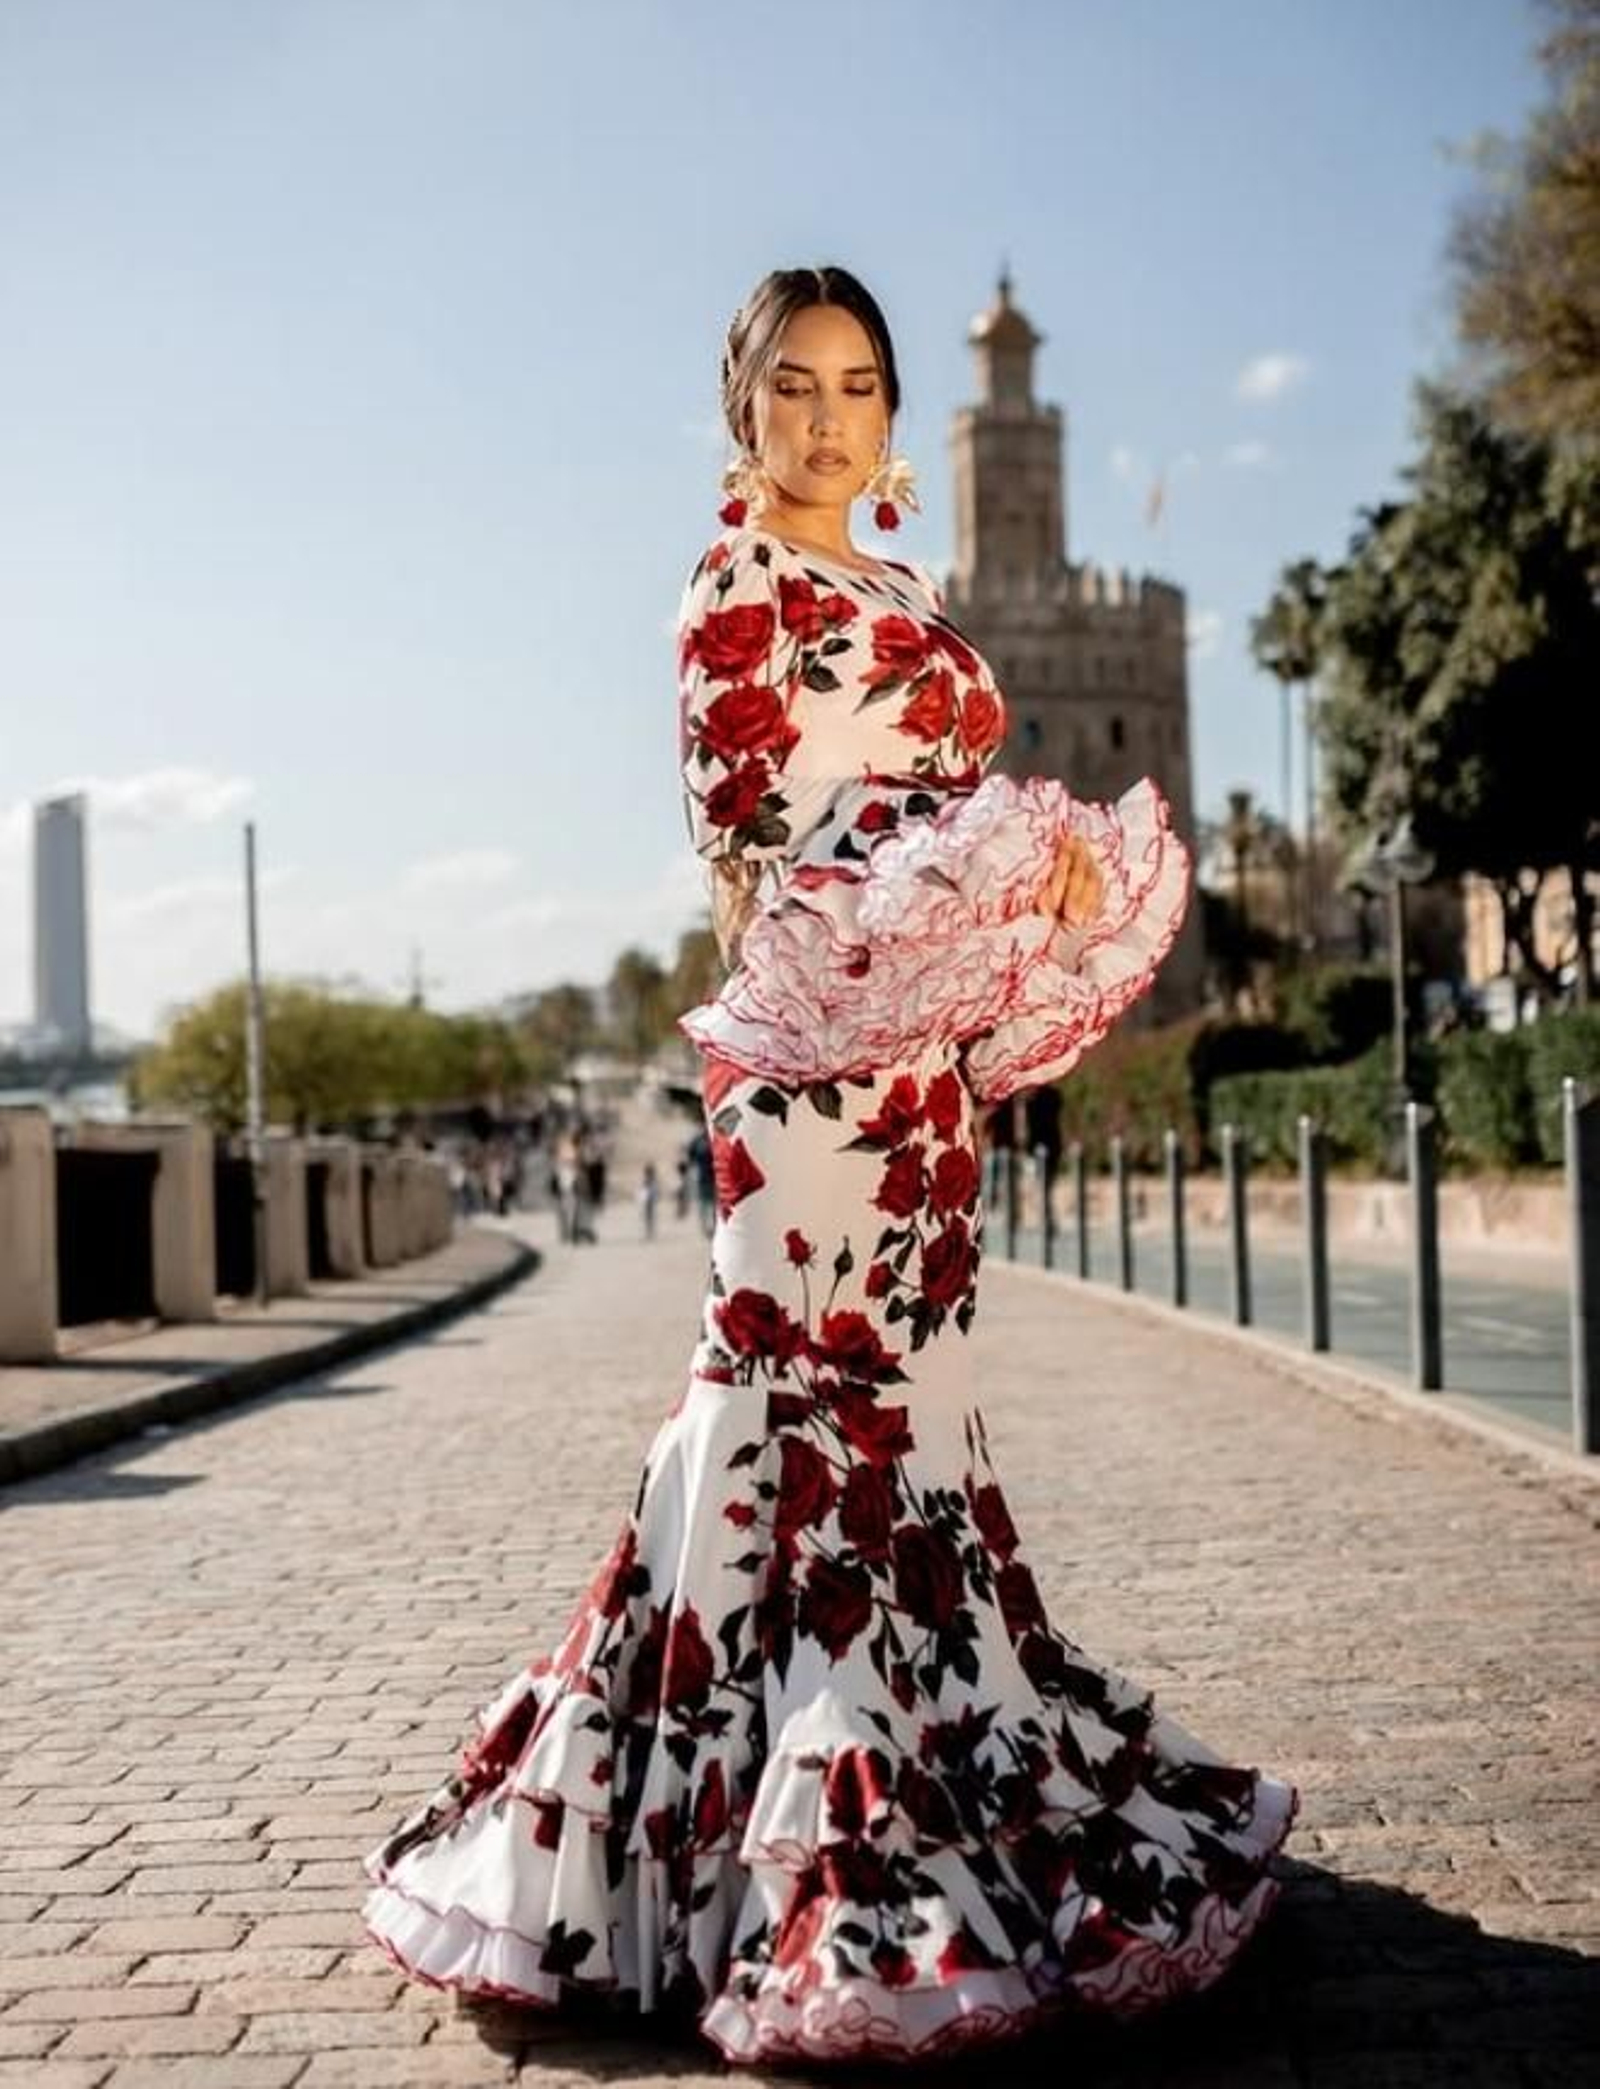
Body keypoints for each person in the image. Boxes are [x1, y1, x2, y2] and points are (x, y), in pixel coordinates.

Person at [361, 265, 1298, 2066]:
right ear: (745, 406)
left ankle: (921, 1782)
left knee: (916, 1419)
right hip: (810, 1063)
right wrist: (982, 858)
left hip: (924, 1068)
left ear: (893, 419)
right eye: (791, 384)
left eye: (855, 384)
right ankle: (779, 1852)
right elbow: (745, 807)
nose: (824, 415)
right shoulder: (736, 585)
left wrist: (1037, 878)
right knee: (793, 1410)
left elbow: (949, 805)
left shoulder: (899, 587)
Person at [638, 1159, 660, 1241]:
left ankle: (649, 1232)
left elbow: (646, 1189)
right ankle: (650, 1231)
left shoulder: (649, 1180)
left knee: (649, 1217)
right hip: (649, 1200)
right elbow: (654, 1190)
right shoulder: (651, 1180)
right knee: (649, 1216)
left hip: (649, 1200)